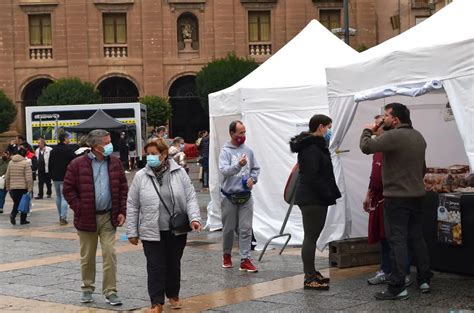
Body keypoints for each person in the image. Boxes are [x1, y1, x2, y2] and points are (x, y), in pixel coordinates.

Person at [360, 102, 433, 300]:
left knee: (397, 240)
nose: (384, 119)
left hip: (397, 198)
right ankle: (424, 279)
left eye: (386, 115)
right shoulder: (419, 136)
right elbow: (422, 169)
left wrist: (368, 129)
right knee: (417, 237)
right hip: (417, 195)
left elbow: (366, 147)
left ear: (396, 119)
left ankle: (398, 286)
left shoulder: (394, 136)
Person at [126, 138, 201, 313]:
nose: (150, 158)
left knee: (173, 264)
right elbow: (132, 204)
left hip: (176, 229)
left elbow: (190, 197)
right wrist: (132, 231)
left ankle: (173, 295)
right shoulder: (140, 176)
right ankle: (156, 302)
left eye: (153, 154)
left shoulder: (179, 173)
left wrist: (195, 218)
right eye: (148, 154)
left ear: (164, 154)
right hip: (151, 230)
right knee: (155, 266)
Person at [63, 129, 128, 306]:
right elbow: (68, 189)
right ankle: (87, 288)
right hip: (86, 218)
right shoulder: (77, 164)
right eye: (107, 142)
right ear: (96, 146)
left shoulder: (115, 163)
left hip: (108, 215)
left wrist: (122, 211)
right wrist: (79, 208)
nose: (110, 145)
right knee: (87, 255)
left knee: (110, 253)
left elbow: (123, 188)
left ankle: (110, 291)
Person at [289, 114, 341, 290]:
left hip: (314, 197)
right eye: (328, 127)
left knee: (312, 236)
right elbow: (313, 176)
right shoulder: (312, 148)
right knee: (310, 237)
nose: (329, 131)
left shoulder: (313, 146)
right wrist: (327, 193)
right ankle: (309, 277)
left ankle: (311, 272)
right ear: (320, 127)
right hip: (313, 198)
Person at [219, 120, 260, 272]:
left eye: (244, 132)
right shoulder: (225, 151)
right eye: (240, 133)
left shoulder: (248, 150)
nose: (243, 136)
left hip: (246, 196)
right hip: (229, 196)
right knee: (229, 229)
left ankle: (245, 259)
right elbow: (224, 170)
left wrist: (253, 179)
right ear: (232, 133)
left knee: (246, 228)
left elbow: (255, 168)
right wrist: (238, 165)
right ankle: (227, 255)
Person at [49, 133, 76, 225]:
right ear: (65, 139)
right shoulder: (69, 150)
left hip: (55, 176)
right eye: (68, 138)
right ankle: (63, 217)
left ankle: (60, 215)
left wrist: (51, 175)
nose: (70, 140)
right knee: (64, 196)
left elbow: (50, 164)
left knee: (58, 196)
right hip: (66, 176)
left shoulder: (53, 150)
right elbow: (74, 162)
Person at [5, 147, 33, 225]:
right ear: (24, 155)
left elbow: (7, 176)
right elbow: (29, 177)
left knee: (16, 202)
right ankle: (21, 219)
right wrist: (30, 188)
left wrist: (7, 187)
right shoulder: (25, 163)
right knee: (24, 203)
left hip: (13, 187)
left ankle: (14, 215)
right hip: (23, 187)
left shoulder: (11, 162)